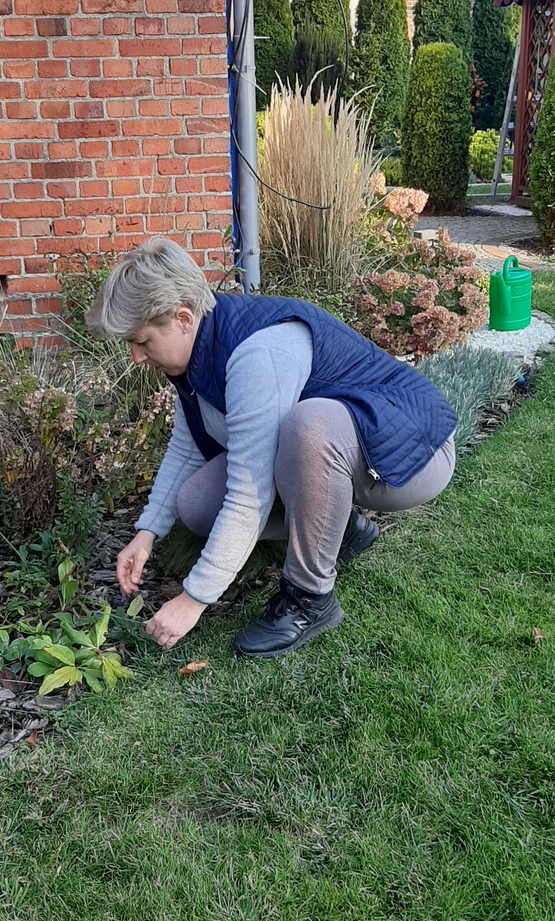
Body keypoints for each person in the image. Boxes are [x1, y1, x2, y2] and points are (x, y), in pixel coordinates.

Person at [86, 237, 456, 659]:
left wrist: (193, 599)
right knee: (198, 503)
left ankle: (310, 598)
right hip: (346, 452)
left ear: (183, 318)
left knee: (310, 425)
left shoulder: (259, 354)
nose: (136, 357)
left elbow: (250, 494)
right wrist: (146, 534)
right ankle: (343, 533)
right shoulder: (196, 351)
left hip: (411, 455)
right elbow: (187, 448)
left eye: (141, 341)